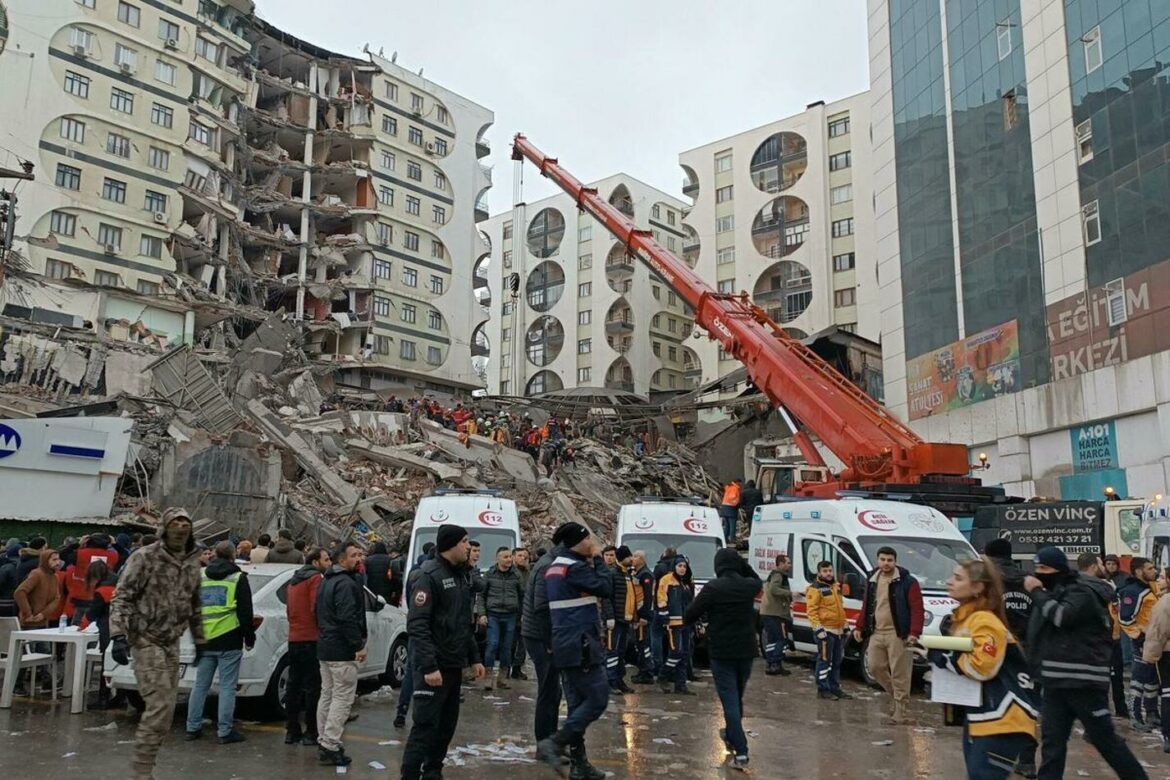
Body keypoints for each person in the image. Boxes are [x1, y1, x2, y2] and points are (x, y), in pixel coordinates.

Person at [1025, 547, 1148, 779]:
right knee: (1052, 745)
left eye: (1044, 568)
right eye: (1037, 568)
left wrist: (1037, 593)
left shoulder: (1078, 593)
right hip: (1055, 683)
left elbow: (1061, 617)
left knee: (1105, 741)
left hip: (1084, 683)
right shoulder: (1052, 593)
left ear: (1059, 570)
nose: (1038, 573)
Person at [109, 507, 204, 780]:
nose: (181, 526)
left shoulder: (191, 561)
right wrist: (118, 635)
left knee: (166, 710)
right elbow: (122, 596)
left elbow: (195, 601)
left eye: (186, 521)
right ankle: (141, 773)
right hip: (146, 638)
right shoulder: (145, 558)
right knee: (160, 707)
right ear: (164, 527)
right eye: (175, 522)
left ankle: (146, 770)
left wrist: (200, 639)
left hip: (171, 641)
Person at [927, 557, 1039, 780]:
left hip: (1003, 719)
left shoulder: (984, 620)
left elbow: (982, 667)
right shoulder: (966, 618)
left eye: (958, 578)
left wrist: (943, 657)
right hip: (982, 715)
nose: (949, 582)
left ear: (978, 587)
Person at [400, 525, 485, 780]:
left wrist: (475, 658)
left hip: (452, 665)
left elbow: (461, 623)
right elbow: (417, 625)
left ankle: (433, 772)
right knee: (425, 727)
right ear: (451, 544)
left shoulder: (461, 576)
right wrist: (428, 666)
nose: (469, 547)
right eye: (465, 542)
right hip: (432, 668)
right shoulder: (428, 575)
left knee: (446, 727)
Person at [535, 521, 611, 780]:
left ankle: (580, 765)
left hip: (565, 643)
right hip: (581, 645)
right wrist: (599, 559)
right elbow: (605, 587)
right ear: (579, 541)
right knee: (598, 698)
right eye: (589, 538)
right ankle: (555, 742)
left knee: (578, 702)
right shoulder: (574, 568)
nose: (593, 542)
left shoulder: (554, 568)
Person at [684, 548, 761, 768]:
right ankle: (730, 734)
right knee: (736, 698)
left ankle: (742, 751)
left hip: (721, 652)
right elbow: (756, 579)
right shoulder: (748, 586)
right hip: (746, 651)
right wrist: (742, 565)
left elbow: (690, 614)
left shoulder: (713, 588)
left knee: (729, 700)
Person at [185, 541, 254, 744]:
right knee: (226, 687)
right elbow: (245, 612)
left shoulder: (201, 575)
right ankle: (225, 731)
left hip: (205, 639)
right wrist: (249, 638)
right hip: (229, 638)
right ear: (233, 555)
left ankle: (192, 727)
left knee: (200, 686)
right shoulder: (238, 577)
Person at [855, 546, 923, 725]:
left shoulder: (908, 582)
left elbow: (917, 609)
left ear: (895, 561)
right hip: (876, 632)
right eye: (883, 559)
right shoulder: (872, 580)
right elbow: (866, 606)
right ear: (878, 560)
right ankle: (897, 697)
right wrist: (859, 627)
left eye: (889, 560)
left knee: (900, 673)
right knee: (875, 667)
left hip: (898, 633)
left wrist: (914, 632)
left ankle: (901, 711)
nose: (886, 563)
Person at [315, 541, 368, 767]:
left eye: (360, 554)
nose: (359, 558)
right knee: (342, 698)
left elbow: (317, 613)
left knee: (327, 695)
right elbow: (347, 617)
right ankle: (330, 744)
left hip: (326, 647)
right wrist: (357, 645)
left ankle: (324, 739)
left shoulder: (327, 581)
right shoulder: (345, 584)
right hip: (340, 650)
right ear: (341, 560)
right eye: (354, 555)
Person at [284, 546, 330, 746]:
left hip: (294, 638)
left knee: (293, 686)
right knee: (313, 687)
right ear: (315, 562)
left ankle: (291, 730)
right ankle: (312, 731)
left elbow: (289, 610)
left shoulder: (293, 581)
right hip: (311, 638)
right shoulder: (315, 579)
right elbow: (316, 607)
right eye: (326, 560)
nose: (328, 563)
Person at [521, 539, 562, 743]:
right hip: (539, 636)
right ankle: (545, 742)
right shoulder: (548, 565)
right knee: (549, 690)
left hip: (541, 635)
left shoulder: (551, 562)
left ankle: (550, 739)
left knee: (553, 690)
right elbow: (542, 607)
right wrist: (550, 642)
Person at [1116, 556, 1159, 731]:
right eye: (1150, 568)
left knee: (1152, 679)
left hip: (1154, 641)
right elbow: (1125, 618)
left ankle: (1151, 712)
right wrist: (1139, 636)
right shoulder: (1134, 591)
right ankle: (1135, 715)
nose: (1154, 571)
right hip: (1143, 641)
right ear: (1139, 571)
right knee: (1139, 679)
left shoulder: (1148, 587)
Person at [807, 560, 851, 700]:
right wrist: (819, 630)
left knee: (837, 661)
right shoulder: (815, 589)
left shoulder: (835, 586)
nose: (828, 573)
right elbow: (811, 611)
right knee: (825, 661)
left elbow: (840, 608)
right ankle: (823, 689)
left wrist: (845, 625)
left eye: (830, 571)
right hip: (825, 631)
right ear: (819, 573)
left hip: (838, 631)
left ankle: (834, 687)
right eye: (825, 571)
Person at [481, 546, 523, 691]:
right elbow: (481, 595)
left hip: (511, 615)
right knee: (492, 644)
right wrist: (482, 614)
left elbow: (522, 595)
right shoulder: (489, 574)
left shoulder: (516, 575)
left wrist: (522, 614)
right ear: (497, 558)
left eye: (510, 557)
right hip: (493, 615)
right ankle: (488, 676)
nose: (509, 559)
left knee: (507, 647)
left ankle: (503, 678)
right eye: (505, 557)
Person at [983, 539, 1034, 652]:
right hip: (1025, 644)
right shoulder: (1029, 579)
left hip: (993, 642)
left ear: (988, 556)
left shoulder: (985, 579)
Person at [82, 559, 121, 709]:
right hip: (121, 627)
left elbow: (93, 612)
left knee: (106, 664)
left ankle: (103, 698)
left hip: (107, 628)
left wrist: (82, 625)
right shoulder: (117, 582)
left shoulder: (102, 590)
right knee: (119, 662)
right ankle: (120, 697)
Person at [657, 555, 695, 695]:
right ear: (674, 566)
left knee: (685, 654)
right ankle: (663, 676)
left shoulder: (685, 583)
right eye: (680, 566)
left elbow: (690, 603)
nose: (682, 569)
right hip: (673, 623)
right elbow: (661, 598)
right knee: (676, 652)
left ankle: (681, 685)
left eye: (684, 566)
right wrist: (664, 616)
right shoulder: (666, 580)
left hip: (685, 622)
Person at [1143, 563, 1170, 755]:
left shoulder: (1165, 603)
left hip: (1167, 656)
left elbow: (1157, 632)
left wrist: (1151, 657)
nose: (1159, 580)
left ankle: (1168, 736)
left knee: (1168, 695)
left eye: (1162, 577)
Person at [603, 546, 638, 695]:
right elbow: (606, 597)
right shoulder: (613, 574)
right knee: (612, 651)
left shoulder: (627, 574)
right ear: (623, 558)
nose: (632, 559)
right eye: (629, 557)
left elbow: (630, 597)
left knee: (621, 652)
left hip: (625, 620)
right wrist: (610, 617)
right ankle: (610, 682)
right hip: (616, 621)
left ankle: (619, 680)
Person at [760, 554, 793, 676]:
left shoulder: (774, 574)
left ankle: (771, 664)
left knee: (772, 640)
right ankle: (775, 663)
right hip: (775, 613)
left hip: (769, 612)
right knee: (781, 639)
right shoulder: (778, 575)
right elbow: (774, 590)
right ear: (780, 564)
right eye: (788, 562)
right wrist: (790, 593)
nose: (790, 565)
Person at [13, 548, 61, 628]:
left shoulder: (55, 577)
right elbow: (19, 592)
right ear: (46, 560)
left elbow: (56, 598)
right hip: (29, 622)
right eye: (54, 560)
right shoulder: (36, 574)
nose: (58, 562)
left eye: (58, 559)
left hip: (43, 621)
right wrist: (28, 613)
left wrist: (43, 614)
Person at [629, 550, 656, 684]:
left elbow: (648, 597)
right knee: (640, 644)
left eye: (635, 556)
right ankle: (643, 670)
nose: (632, 559)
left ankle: (647, 672)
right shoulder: (638, 573)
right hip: (637, 613)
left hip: (642, 615)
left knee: (644, 643)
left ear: (642, 559)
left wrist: (644, 615)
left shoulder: (646, 575)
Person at [650, 547, 676, 677]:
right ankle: (671, 668)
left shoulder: (659, 568)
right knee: (674, 639)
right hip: (675, 609)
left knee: (656, 636)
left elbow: (655, 589)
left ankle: (657, 664)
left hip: (660, 606)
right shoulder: (679, 567)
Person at [509, 547, 531, 680]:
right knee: (509, 643)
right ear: (513, 557)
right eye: (520, 555)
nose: (523, 558)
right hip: (511, 611)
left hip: (525, 611)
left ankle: (517, 668)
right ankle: (506, 667)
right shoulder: (509, 572)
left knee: (523, 643)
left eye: (525, 556)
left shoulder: (529, 573)